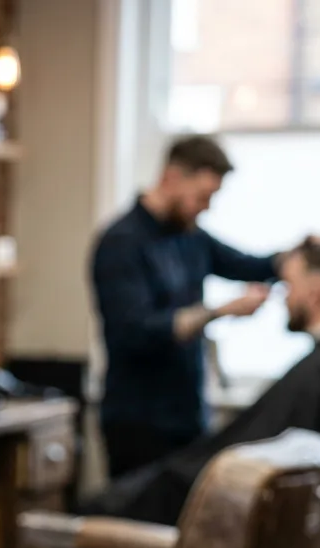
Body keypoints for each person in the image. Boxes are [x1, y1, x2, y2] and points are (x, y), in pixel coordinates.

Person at [70, 240, 320, 548]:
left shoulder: (315, 373)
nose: (282, 297)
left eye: (289, 286)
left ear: (315, 293)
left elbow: (247, 263)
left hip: (193, 473)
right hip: (149, 432)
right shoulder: (125, 244)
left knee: (94, 518)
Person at [91, 135, 302, 479]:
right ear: (172, 177)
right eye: (203, 196)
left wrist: (298, 255)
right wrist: (219, 312)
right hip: (138, 423)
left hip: (188, 415)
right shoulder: (121, 243)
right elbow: (136, 330)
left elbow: (249, 265)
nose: (207, 207)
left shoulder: (191, 236)